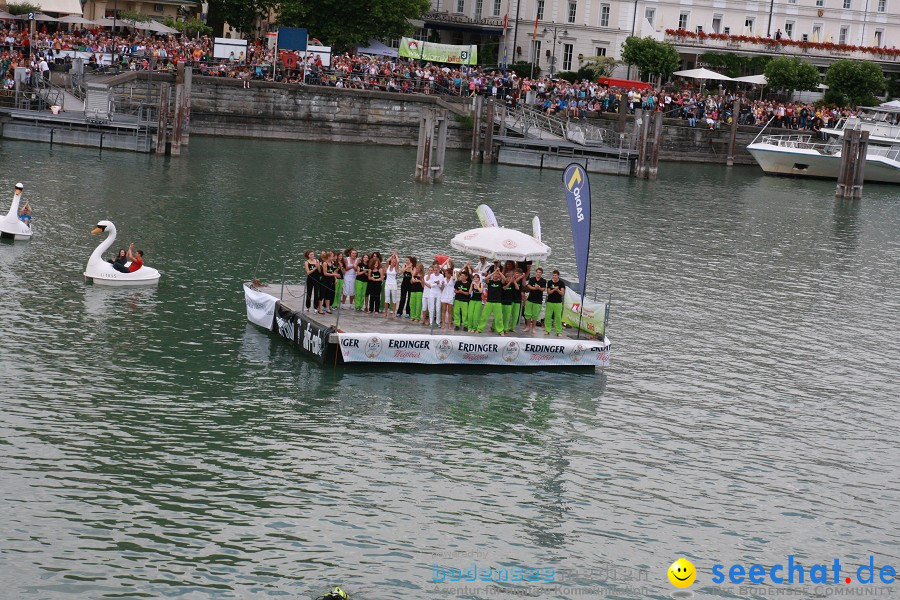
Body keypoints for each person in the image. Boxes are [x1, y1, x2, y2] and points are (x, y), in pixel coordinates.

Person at [477, 269, 506, 336]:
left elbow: (504, 279)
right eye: (494, 276)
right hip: (489, 301)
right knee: (484, 316)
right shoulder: (490, 282)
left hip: (497, 302)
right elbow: (486, 278)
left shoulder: (500, 283)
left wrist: (499, 272)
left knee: (499, 318)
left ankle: (500, 331)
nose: (495, 276)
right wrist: (494, 272)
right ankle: (479, 329)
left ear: (498, 276)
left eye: (497, 276)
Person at [523, 267, 547, 334]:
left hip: (538, 300)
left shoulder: (543, 281)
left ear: (541, 273)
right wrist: (535, 288)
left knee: (535, 315)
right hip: (530, 299)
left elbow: (543, 289)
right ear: (536, 272)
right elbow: (529, 286)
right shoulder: (532, 279)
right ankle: (528, 326)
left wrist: (539, 288)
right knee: (527, 314)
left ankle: (533, 328)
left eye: (540, 272)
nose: (538, 273)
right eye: (537, 272)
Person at [545, 270, 565, 336]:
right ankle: (547, 330)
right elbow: (548, 292)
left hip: (558, 302)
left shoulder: (561, 283)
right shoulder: (550, 282)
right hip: (550, 302)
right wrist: (554, 289)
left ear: (558, 276)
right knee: (548, 316)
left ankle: (559, 331)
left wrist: (558, 289)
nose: (554, 276)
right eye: (553, 275)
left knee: (558, 317)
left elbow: (562, 293)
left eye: (556, 275)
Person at [383, 253, 399, 319]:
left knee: (394, 299)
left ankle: (394, 312)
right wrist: (392, 256)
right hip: (387, 284)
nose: (393, 262)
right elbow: (387, 261)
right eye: (392, 261)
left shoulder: (396, 268)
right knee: (387, 298)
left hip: (393, 284)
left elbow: (398, 261)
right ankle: (386, 312)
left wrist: (396, 255)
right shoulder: (388, 266)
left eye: (394, 261)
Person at [439, 265, 455, 330]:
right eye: (445, 273)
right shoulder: (444, 279)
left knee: (450, 311)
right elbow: (442, 288)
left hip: (450, 295)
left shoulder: (453, 279)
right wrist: (442, 285)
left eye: (447, 273)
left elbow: (454, 276)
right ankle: (443, 323)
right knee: (443, 310)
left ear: (450, 274)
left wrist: (452, 271)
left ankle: (449, 324)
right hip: (444, 295)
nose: (445, 274)